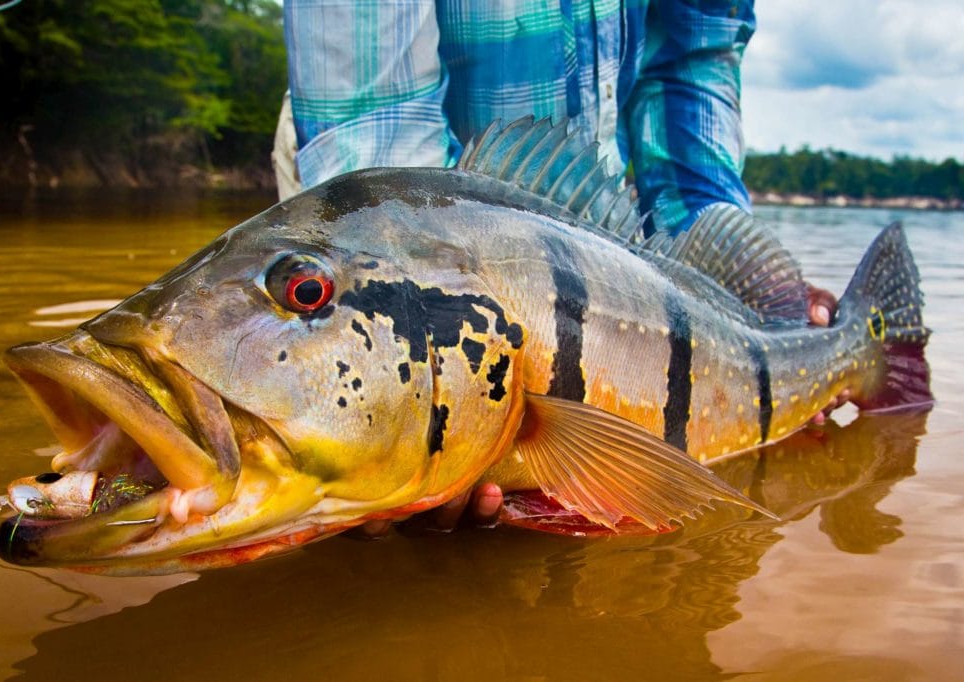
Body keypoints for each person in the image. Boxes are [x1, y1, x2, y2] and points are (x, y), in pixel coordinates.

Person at [273, 0, 845, 533]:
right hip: (364, 202)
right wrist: (429, 420)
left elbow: (688, 59)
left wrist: (750, 302)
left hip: (586, 219)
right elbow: (375, 123)